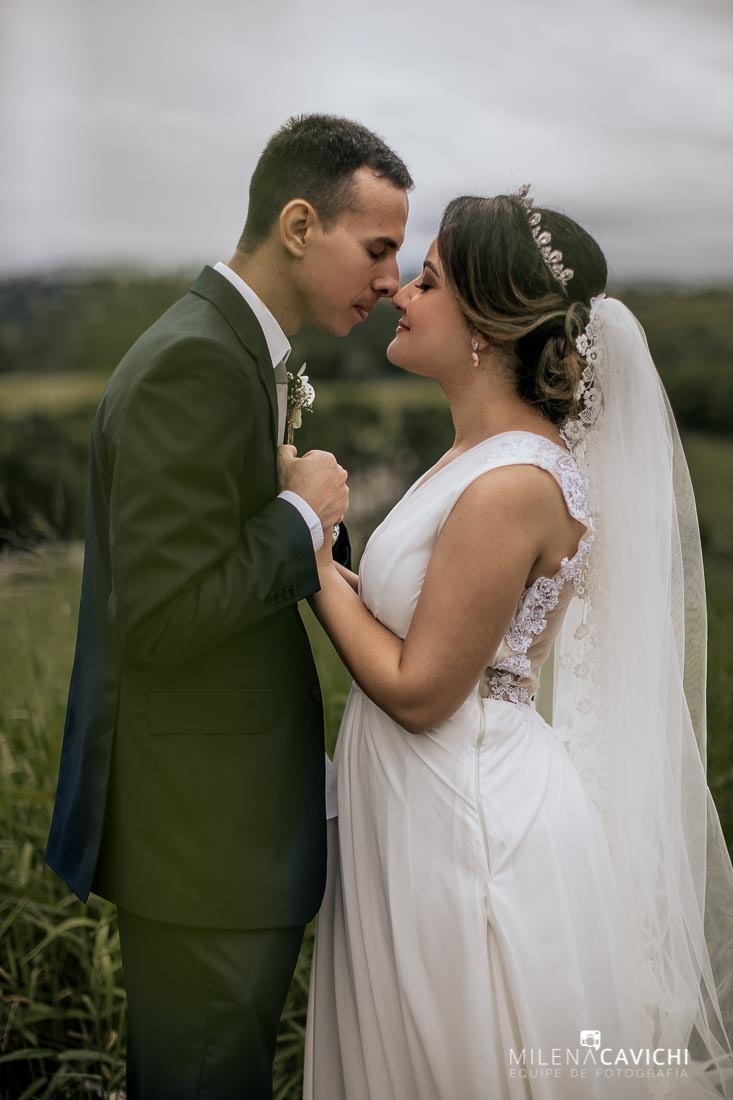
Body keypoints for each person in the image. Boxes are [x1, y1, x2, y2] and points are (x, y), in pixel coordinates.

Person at [303, 188, 733, 1098]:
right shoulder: (477, 456)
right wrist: (315, 532)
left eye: (426, 281)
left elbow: (421, 689)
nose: (399, 294)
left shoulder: (514, 484)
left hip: (464, 822)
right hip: (420, 803)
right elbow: (412, 620)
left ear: (485, 329)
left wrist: (304, 555)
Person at [44, 114, 412, 1099]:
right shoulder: (197, 361)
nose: (390, 279)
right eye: (377, 248)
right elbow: (162, 616)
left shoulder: (233, 350)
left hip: (217, 834)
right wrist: (299, 515)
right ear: (299, 224)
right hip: (205, 841)